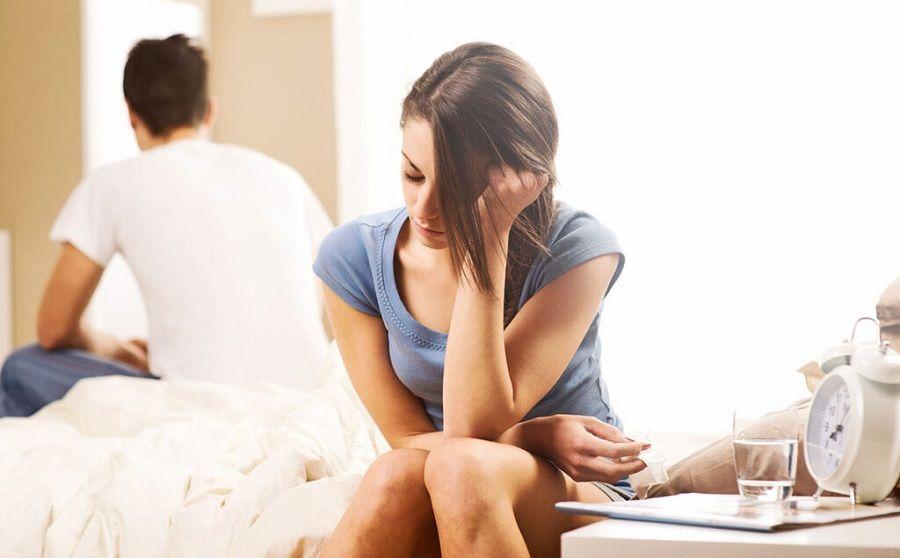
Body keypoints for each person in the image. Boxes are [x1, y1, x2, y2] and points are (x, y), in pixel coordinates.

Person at [312, 42, 646, 558]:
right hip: (450, 470)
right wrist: (536, 435)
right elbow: (406, 437)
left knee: (459, 468)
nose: (424, 208)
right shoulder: (353, 258)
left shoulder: (578, 247)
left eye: (456, 187)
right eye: (413, 175)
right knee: (397, 473)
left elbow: (473, 427)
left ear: (520, 180)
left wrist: (488, 240)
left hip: (576, 489)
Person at [0, 34, 332, 418]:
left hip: (196, 405)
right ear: (210, 111)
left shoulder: (112, 184)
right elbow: (335, 294)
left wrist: (119, 350)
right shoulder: (283, 178)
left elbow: (54, 329)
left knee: (22, 366)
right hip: (304, 398)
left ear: (131, 114)